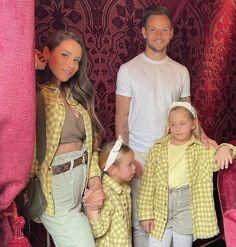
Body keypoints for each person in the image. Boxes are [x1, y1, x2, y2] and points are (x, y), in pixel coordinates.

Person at [115, 4, 216, 246]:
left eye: (164, 30)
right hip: (141, 156)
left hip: (175, 157)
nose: (158, 35)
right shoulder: (128, 70)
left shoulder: (180, 72)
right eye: (153, 29)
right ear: (143, 32)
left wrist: (203, 137)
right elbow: (121, 117)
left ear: (171, 33)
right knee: (144, 222)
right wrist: (125, 158)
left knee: (176, 224)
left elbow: (189, 112)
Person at [33, 30, 104, 247]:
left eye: (76, 60)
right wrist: (31, 68)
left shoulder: (74, 98)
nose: (71, 65)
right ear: (46, 53)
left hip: (80, 185)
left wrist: (95, 183)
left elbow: (89, 148)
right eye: (64, 55)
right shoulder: (34, 94)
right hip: (55, 190)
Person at [137, 102, 236, 247]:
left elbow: (228, 155)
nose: (177, 129)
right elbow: (147, 185)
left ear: (193, 124)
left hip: (186, 205)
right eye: (173, 124)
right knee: (156, 243)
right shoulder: (157, 149)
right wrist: (145, 215)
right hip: (160, 202)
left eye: (182, 123)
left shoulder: (202, 150)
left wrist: (225, 148)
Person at [84, 136, 136, 246]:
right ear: (112, 170)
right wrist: (91, 209)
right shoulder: (105, 195)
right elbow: (97, 231)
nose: (134, 168)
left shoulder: (125, 188)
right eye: (129, 165)